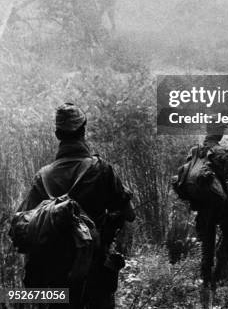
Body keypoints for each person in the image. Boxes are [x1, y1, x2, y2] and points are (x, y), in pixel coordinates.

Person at [19, 103, 135, 309]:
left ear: (57, 134)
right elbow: (130, 214)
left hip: (54, 276)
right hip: (96, 271)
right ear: (84, 130)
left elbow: (25, 221)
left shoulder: (42, 176)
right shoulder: (101, 169)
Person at [188, 128, 228, 307]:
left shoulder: (196, 151)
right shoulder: (221, 153)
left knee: (207, 241)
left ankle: (205, 278)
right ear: (219, 134)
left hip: (202, 206)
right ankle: (219, 274)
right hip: (221, 204)